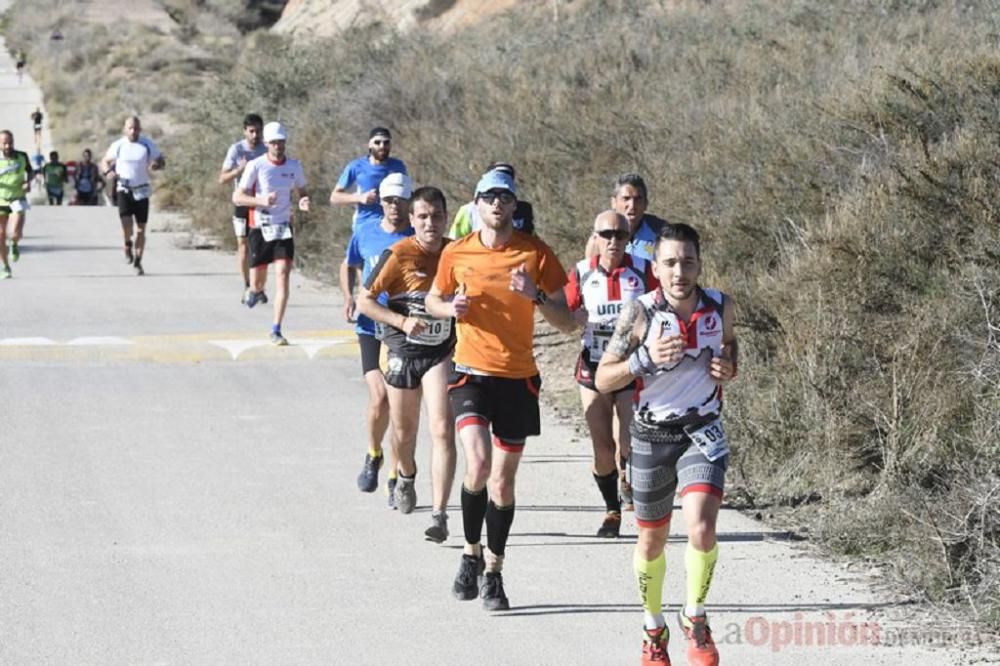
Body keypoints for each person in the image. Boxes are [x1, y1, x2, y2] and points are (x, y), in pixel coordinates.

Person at [425, 169, 576, 611]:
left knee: (503, 483)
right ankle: (469, 554)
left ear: (514, 205)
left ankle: (494, 570)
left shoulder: (535, 253)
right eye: (489, 197)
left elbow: (567, 320)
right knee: (477, 463)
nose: (496, 204)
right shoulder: (457, 251)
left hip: (517, 377)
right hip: (471, 372)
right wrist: (449, 306)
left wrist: (536, 296)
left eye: (504, 198)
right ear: (476, 204)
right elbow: (435, 297)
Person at [595, 223, 737, 666]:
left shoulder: (721, 305)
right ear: (656, 267)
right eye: (671, 263)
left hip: (702, 431)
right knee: (651, 542)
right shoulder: (639, 313)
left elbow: (731, 348)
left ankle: (694, 616)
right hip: (652, 436)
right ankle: (652, 628)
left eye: (688, 262)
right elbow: (604, 378)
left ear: (699, 264)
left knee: (701, 527)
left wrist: (729, 367)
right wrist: (644, 359)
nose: (680, 271)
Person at [356, 186, 457, 540]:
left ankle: (440, 514)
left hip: (440, 351)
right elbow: (364, 301)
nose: (431, 223)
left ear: (447, 218)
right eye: (423, 217)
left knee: (443, 427)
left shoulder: (455, 253)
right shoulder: (398, 254)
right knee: (404, 432)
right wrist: (400, 322)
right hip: (401, 350)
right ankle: (407, 475)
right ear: (412, 220)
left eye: (437, 216)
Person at [565, 210, 653, 538]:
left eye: (621, 235)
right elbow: (564, 314)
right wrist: (573, 317)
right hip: (592, 366)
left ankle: (630, 483)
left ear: (629, 238)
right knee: (603, 448)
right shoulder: (582, 272)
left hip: (632, 369)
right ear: (595, 237)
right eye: (607, 234)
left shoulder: (645, 271)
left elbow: (665, 305)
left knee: (626, 442)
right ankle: (611, 509)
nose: (614, 241)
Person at [341, 172, 415, 507]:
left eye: (400, 200)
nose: (394, 207)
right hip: (371, 324)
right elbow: (349, 264)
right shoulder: (365, 231)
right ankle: (374, 455)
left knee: (399, 408)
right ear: (381, 202)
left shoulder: (417, 236)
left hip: (402, 329)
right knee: (380, 398)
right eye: (389, 200)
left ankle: (395, 476)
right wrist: (348, 296)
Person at [232, 121, 310, 345]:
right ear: (267, 144)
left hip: (283, 227)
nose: (278, 146)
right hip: (260, 228)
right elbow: (238, 197)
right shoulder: (256, 166)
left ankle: (276, 329)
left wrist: (304, 201)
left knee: (283, 274)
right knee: (257, 283)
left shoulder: (294, 166)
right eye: (274, 143)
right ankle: (255, 290)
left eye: (281, 142)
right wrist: (260, 200)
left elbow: (302, 190)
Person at [100, 116, 165, 276]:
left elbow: (161, 160)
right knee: (126, 223)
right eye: (130, 128)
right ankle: (127, 243)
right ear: (125, 129)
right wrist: (108, 172)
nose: (133, 131)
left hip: (142, 190)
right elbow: (105, 161)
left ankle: (138, 260)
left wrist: (157, 164)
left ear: (140, 129)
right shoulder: (119, 145)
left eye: (136, 128)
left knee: (141, 230)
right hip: (124, 189)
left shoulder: (147, 144)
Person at [219, 113, 266, 303]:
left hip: (261, 205)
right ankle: (248, 286)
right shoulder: (236, 149)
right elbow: (222, 179)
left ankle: (259, 287)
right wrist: (239, 169)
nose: (255, 135)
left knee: (261, 248)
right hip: (241, 204)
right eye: (251, 131)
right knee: (243, 246)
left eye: (258, 131)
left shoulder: (267, 149)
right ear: (245, 131)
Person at [329, 127, 408, 231]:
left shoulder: (398, 166)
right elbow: (334, 197)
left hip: (393, 225)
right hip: (365, 224)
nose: (382, 146)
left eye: (386, 142)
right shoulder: (356, 167)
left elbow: (407, 194)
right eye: (377, 142)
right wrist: (360, 197)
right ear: (369, 145)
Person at [586, 173, 667, 268]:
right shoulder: (600, 236)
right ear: (614, 202)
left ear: (646, 204)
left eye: (638, 199)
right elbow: (590, 274)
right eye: (626, 199)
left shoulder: (661, 232)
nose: (632, 205)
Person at [447, 162, 534, 238]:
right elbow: (454, 240)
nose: (501, 180)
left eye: (507, 176)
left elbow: (532, 240)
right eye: (496, 176)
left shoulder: (523, 211)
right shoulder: (468, 210)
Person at [0, 130, 32, 279]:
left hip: (17, 198)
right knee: (0, 235)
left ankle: (13, 243)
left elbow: (30, 171)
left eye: (10, 142)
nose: (8, 146)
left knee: (15, 233)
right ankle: (5, 267)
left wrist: (27, 182)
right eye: (4, 143)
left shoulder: (22, 156)